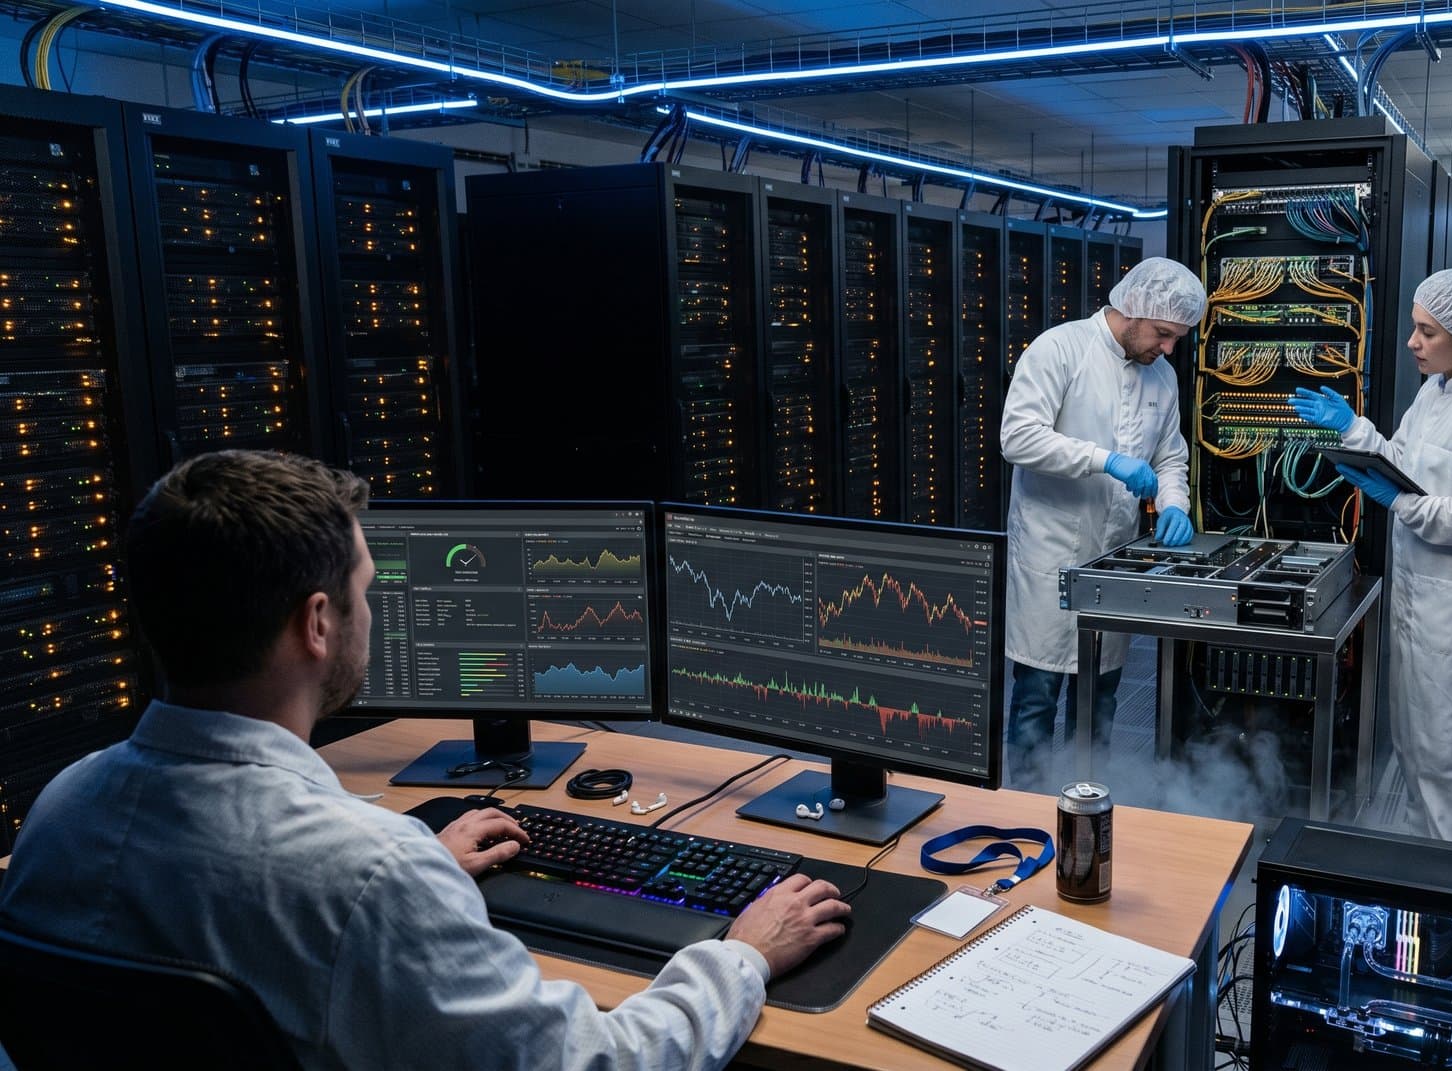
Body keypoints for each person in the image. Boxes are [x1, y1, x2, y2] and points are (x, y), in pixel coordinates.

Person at [0, 449, 850, 1069]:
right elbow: (594, 1062)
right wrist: (741, 955)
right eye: (367, 590)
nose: (374, 613)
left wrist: (419, 866)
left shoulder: (60, 811)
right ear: (317, 623)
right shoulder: (369, 874)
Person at [1291, 268, 1452, 846]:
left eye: (1427, 332)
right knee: (1416, 749)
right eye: (1414, 328)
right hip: (1419, 600)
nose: (1412, 343)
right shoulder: (1437, 390)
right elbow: (1401, 460)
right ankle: (1421, 871)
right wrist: (1353, 430)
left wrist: (1399, 503)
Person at [1000, 257, 1206, 776]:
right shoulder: (1060, 349)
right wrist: (1104, 460)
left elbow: (1170, 458)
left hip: (1114, 561)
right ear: (1132, 309)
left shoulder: (1162, 377)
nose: (1168, 349)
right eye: (1163, 334)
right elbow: (1017, 437)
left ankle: (1088, 808)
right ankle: (1024, 802)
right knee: (1036, 699)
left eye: (1176, 338)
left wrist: (1175, 504)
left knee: (1100, 703)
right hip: (1050, 556)